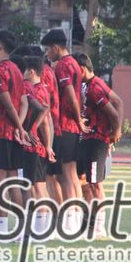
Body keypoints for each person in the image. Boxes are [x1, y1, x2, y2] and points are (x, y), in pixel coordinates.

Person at [41, 29, 85, 231]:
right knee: (72, 174)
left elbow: (70, 96)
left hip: (66, 125)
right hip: (72, 126)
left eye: (48, 50)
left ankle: (68, 221)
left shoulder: (64, 66)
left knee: (63, 175)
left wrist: (77, 119)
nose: (47, 54)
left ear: (56, 48)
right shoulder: (75, 63)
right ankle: (75, 218)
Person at [75, 53, 123, 238]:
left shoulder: (94, 87)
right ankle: (89, 221)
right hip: (87, 140)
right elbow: (119, 101)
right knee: (82, 180)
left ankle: (100, 225)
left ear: (81, 69)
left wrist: (116, 132)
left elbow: (113, 110)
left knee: (95, 183)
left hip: (96, 140)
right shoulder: (93, 84)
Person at [0, 30, 30, 236]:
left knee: (0, 179)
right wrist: (19, 127)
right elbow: (23, 102)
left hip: (0, 132)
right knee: (12, 178)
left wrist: (18, 127)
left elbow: (7, 102)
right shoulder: (17, 69)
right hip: (12, 133)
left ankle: (2, 226)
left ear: (0, 47)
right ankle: (22, 227)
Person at [19, 55, 55, 234]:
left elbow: (44, 116)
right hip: (39, 146)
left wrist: (30, 130)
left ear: (31, 71)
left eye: (23, 71)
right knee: (37, 185)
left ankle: (41, 228)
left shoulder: (36, 90)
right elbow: (46, 120)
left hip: (33, 146)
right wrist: (48, 146)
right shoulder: (41, 89)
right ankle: (41, 227)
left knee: (36, 187)